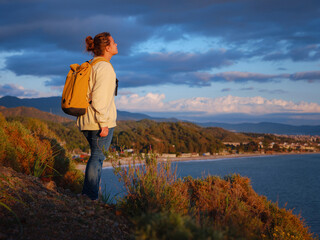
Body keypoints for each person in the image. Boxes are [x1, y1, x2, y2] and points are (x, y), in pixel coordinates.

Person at [77, 32, 118, 200]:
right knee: (97, 158)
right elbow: (99, 99)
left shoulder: (91, 64)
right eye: (114, 42)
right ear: (107, 47)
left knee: (96, 156)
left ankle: (89, 195)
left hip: (86, 120)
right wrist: (104, 122)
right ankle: (90, 197)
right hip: (98, 122)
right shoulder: (105, 67)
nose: (117, 45)